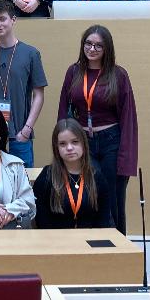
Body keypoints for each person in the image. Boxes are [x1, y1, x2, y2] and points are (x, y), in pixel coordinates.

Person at [57, 25, 139, 234]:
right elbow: (63, 110)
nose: (92, 49)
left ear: (107, 49)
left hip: (111, 140)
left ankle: (118, 250)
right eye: (88, 43)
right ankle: (91, 249)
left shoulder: (118, 75)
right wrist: (63, 143)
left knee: (113, 197)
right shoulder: (74, 72)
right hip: (83, 142)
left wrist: (126, 158)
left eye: (98, 46)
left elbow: (128, 117)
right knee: (87, 195)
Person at [0, 0, 48, 167]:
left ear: (13, 20)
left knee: (22, 184)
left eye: (2, 19)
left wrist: (27, 129)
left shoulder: (31, 53)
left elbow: (39, 95)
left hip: (20, 134)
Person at [33, 118, 113, 229]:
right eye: (62, 144)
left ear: (84, 144)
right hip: (55, 241)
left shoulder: (97, 177)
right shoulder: (47, 176)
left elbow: (103, 221)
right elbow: (41, 219)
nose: (69, 148)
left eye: (75, 142)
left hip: (90, 241)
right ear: (56, 148)